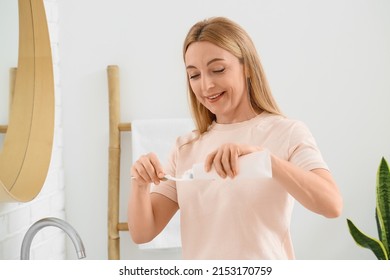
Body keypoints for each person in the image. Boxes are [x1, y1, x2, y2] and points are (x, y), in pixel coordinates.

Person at [128, 16, 342, 259]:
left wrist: (266, 161)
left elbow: (331, 204)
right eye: (194, 75)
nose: (206, 85)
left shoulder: (286, 132)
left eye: (217, 70)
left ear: (247, 67)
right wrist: (140, 184)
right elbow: (143, 232)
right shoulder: (185, 147)